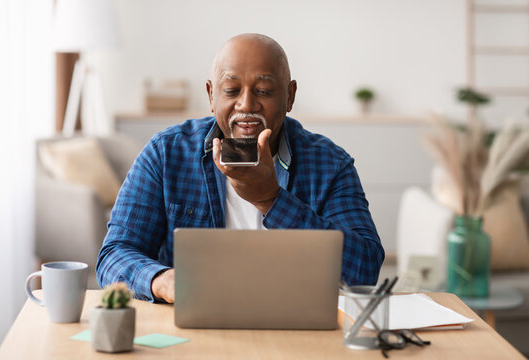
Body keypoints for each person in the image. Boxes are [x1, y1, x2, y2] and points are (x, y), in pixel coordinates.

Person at [96, 33, 384, 303]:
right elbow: (114, 255)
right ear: (211, 95)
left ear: (290, 96)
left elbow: (365, 269)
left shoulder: (330, 164)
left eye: (264, 90)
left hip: (295, 327)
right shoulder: (166, 154)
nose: (246, 104)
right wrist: (162, 280)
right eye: (231, 90)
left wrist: (271, 199)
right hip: (195, 329)